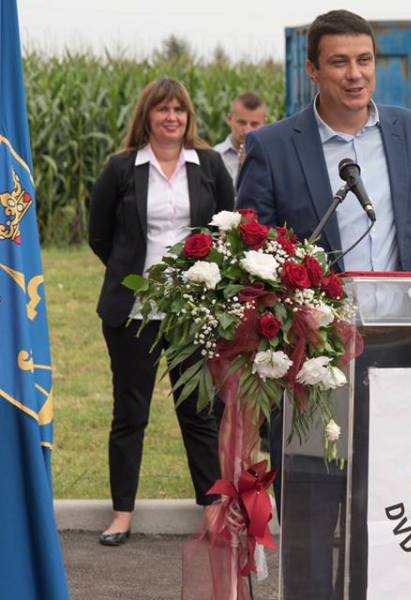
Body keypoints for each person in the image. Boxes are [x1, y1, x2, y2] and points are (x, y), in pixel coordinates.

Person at [235, 9, 411, 597]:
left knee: (386, 506)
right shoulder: (273, 146)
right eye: (339, 62)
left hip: (398, 352)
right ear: (312, 70)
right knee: (312, 509)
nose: (355, 74)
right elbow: (252, 252)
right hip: (315, 362)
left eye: (364, 60)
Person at [88, 78, 234, 546]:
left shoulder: (208, 165)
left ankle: (212, 510)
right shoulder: (121, 168)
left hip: (191, 311)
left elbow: (227, 227)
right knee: (130, 413)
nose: (172, 117)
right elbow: (99, 234)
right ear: (146, 116)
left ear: (188, 117)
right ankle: (121, 515)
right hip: (133, 312)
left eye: (179, 110)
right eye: (162, 109)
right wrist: (131, 271)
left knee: (198, 412)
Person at [213, 91, 268, 186]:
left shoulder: (272, 158)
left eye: (254, 124)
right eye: (242, 123)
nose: (247, 131)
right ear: (229, 119)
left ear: (264, 122)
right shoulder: (214, 156)